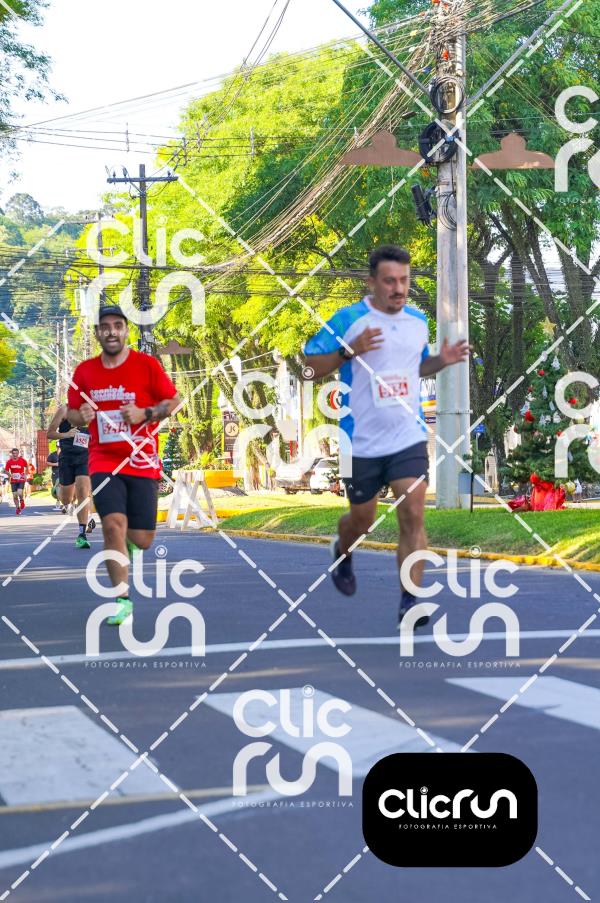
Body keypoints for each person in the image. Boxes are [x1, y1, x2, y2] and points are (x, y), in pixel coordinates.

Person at [304, 245, 469, 628]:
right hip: (361, 439)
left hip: (407, 435)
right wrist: (347, 352)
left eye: (404, 281)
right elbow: (309, 369)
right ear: (372, 282)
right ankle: (343, 549)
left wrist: (440, 361)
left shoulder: (416, 321)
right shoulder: (349, 319)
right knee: (362, 520)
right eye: (390, 281)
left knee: (413, 512)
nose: (399, 289)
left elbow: (415, 368)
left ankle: (410, 600)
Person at [67, 304, 180, 626]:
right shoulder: (85, 372)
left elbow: (173, 402)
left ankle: (129, 545)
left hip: (141, 460)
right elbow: (72, 412)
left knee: (142, 539)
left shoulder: (146, 365)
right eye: (105, 326)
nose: (112, 331)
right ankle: (122, 599)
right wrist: (81, 415)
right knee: (112, 524)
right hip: (103, 460)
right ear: (97, 333)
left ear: (126, 330)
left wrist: (146, 413)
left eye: (118, 325)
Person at [47, 403, 93, 548]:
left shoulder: (94, 410)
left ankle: (82, 535)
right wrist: (66, 434)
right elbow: (50, 433)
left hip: (85, 457)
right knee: (66, 499)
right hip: (67, 458)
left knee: (83, 492)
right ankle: (58, 488)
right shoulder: (65, 410)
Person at [3, 448, 29, 515]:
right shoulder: (9, 462)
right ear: (12, 454)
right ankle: (18, 508)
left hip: (21, 479)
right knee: (14, 496)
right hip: (13, 480)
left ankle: (22, 500)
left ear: (18, 454)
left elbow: (27, 467)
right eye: (14, 453)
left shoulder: (22, 460)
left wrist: (25, 474)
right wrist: (10, 475)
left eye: (16, 453)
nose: (15, 455)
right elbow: (6, 470)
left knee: (20, 492)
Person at [46, 446, 63, 510]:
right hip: (55, 474)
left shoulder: (65, 454)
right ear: (56, 447)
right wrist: (55, 464)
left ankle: (65, 503)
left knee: (63, 487)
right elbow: (47, 462)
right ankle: (58, 502)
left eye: (60, 447)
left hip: (64, 473)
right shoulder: (53, 455)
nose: (59, 448)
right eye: (58, 447)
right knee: (56, 488)